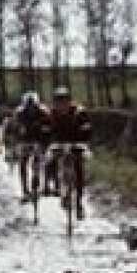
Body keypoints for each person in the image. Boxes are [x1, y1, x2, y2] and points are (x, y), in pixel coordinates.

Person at [47, 86, 92, 220]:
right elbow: (48, 129)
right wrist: (46, 134)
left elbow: (87, 126)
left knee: (79, 170)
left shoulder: (79, 112)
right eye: (59, 101)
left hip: (76, 143)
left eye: (64, 101)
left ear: (69, 101)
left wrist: (85, 130)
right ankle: (55, 186)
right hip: (59, 143)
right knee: (49, 160)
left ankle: (78, 203)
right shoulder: (52, 113)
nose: (62, 105)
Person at [12, 91, 52, 201]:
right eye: (29, 107)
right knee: (23, 162)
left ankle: (46, 184)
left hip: (39, 139)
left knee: (44, 160)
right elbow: (14, 129)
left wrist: (46, 134)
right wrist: (15, 142)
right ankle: (25, 189)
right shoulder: (20, 113)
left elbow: (50, 127)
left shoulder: (43, 112)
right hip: (25, 140)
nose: (31, 110)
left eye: (33, 107)